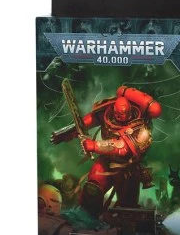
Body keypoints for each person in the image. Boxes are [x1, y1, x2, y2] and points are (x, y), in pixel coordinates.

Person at [51, 86, 161, 217]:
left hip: (128, 169)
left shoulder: (141, 129)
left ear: (129, 112)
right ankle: (85, 218)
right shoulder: (108, 111)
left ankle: (121, 225)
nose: (119, 118)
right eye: (117, 115)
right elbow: (91, 120)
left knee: (127, 207)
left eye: (123, 115)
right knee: (92, 189)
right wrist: (68, 132)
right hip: (106, 161)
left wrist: (94, 145)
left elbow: (122, 148)